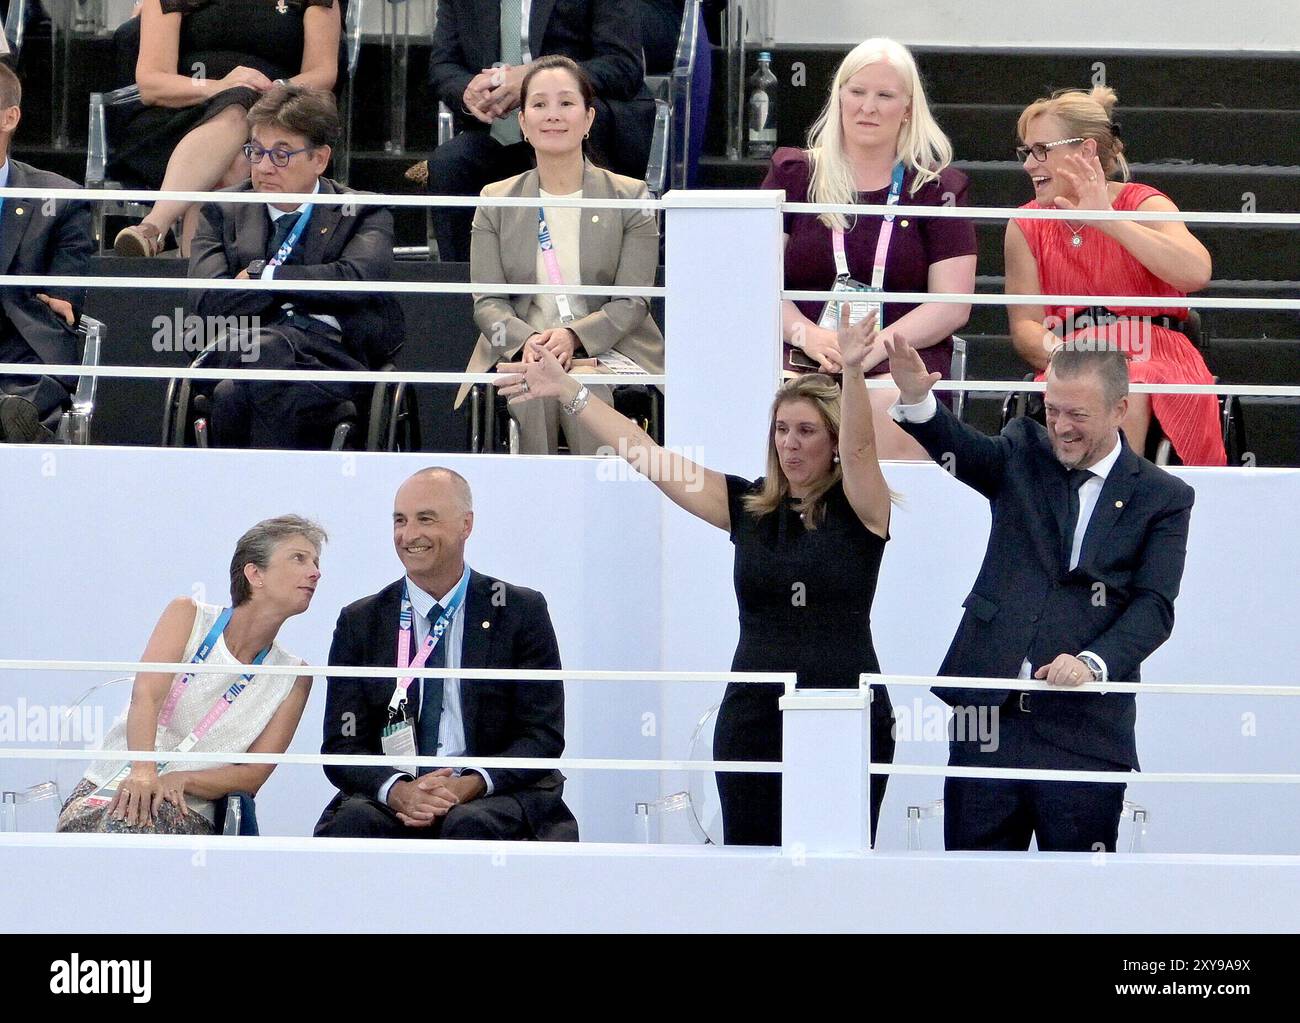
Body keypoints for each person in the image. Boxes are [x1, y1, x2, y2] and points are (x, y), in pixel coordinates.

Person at [495, 310, 897, 846]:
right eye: (781, 430)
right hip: (753, 719)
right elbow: (649, 457)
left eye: (806, 431)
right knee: (753, 879)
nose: (790, 444)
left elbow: (862, 450)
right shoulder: (747, 505)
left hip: (845, 717)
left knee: (840, 879)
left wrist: (849, 370)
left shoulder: (864, 510)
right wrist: (570, 391)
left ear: (832, 439)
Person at [885, 336, 1195, 852]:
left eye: (1077, 414)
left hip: (1086, 730)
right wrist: (919, 402)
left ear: (1120, 408)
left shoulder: (1163, 497)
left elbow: (1154, 607)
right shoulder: (1023, 451)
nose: (1061, 427)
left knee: (1077, 901)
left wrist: (1094, 663)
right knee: (972, 891)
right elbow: (963, 451)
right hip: (988, 721)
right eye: (1052, 410)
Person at [314, 467, 578, 841]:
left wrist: (469, 785)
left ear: (465, 525)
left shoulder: (519, 610)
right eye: (400, 521)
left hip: (493, 793)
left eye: (426, 519)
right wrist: (399, 791)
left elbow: (542, 735)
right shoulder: (362, 621)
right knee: (355, 822)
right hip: (396, 795)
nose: (409, 535)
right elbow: (343, 744)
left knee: (468, 824)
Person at [762, 37, 976, 460]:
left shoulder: (938, 188)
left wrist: (872, 350)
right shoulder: (794, 173)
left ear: (909, 108)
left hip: (898, 351)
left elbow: (951, 304)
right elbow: (757, 282)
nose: (868, 107)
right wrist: (806, 335)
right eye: (857, 92)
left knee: (887, 407)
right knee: (778, 402)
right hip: (803, 348)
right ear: (838, 96)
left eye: (885, 95)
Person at [56, 515, 323, 835]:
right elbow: (146, 696)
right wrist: (144, 771)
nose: (315, 572)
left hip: (186, 806)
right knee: (83, 832)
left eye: (316, 562)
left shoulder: (294, 677)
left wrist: (182, 780)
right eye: (299, 558)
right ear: (255, 573)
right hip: (110, 783)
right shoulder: (187, 615)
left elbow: (254, 773)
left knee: (126, 829)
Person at [1006, 86, 1225, 466]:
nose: (1028, 165)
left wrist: (1109, 221)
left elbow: (1196, 271)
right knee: (1091, 385)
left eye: (1041, 151)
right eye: (1026, 152)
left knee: (1124, 386)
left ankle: (1117, 510)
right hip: (1072, 354)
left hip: (1155, 351)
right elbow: (1025, 325)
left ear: (1086, 151)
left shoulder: (1143, 203)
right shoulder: (1026, 223)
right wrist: (1062, 355)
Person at [458, 55, 664, 454]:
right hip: (521, 349)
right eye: (538, 105)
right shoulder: (494, 199)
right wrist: (528, 343)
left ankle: (599, 508)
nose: (552, 115)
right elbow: (488, 303)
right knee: (533, 387)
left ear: (588, 120)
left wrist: (574, 338)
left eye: (566, 103)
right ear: (522, 122)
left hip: (609, 351)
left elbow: (632, 302)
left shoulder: (632, 197)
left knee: (582, 391)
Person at [186, 84, 402, 449]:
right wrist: (309, 289)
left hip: (328, 361)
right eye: (256, 152)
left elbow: (354, 282)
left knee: (231, 396)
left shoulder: (362, 212)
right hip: (239, 351)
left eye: (282, 155)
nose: (265, 167)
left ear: (319, 159)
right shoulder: (221, 209)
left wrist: (263, 277)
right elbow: (208, 300)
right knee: (262, 357)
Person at [426, 0, 654, 261]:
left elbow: (623, 64)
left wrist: (537, 78)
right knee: (450, 163)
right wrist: (470, 92)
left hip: (578, 127)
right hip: (497, 127)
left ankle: (581, 279)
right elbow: (443, 66)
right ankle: (468, 292)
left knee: (564, 144)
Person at [112, 0, 341, 257]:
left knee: (240, 149)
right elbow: (152, 83)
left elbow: (322, 73)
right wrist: (223, 87)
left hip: (274, 118)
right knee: (237, 130)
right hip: (175, 120)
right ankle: (211, 281)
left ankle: (154, 227)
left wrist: (271, 91)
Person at [0, 63, 95, 443]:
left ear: (10, 117)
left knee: (31, 387)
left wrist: (57, 300)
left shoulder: (58, 198)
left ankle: (15, 414)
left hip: (21, 342)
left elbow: (62, 301)